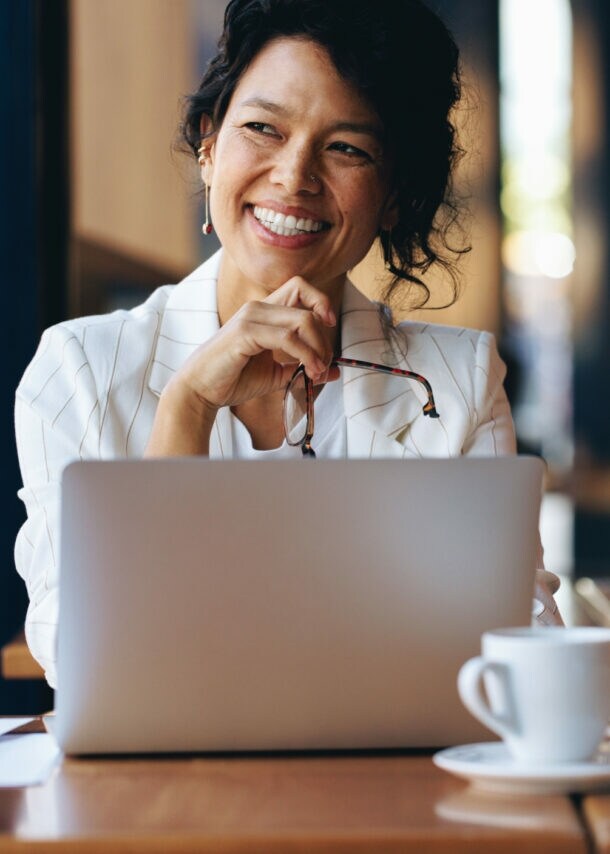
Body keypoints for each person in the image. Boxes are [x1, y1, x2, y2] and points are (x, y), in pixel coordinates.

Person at [15, 0, 561, 689]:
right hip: (167, 792)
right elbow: (85, 660)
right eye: (263, 129)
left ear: (393, 196)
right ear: (209, 148)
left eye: (347, 149)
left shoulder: (458, 381)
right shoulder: (79, 371)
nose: (295, 176)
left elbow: (526, 649)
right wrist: (187, 404)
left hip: (391, 785)